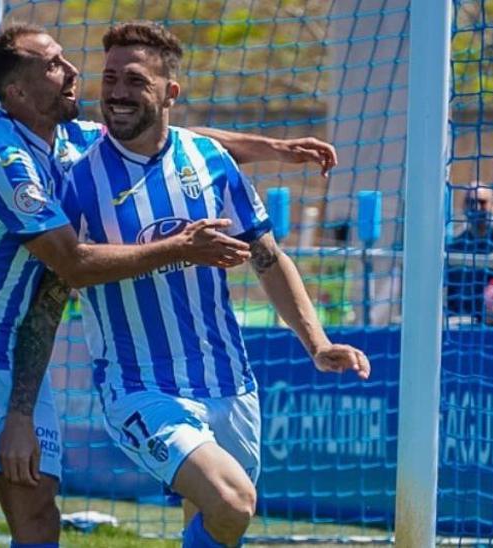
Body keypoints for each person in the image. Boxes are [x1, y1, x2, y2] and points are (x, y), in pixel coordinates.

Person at [0, 22, 338, 548]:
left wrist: (273, 149)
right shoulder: (8, 162)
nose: (73, 73)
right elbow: (74, 265)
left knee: (39, 515)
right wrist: (181, 246)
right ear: (17, 92)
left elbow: (175, 136)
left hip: (12, 354)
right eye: (54, 65)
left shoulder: (64, 138)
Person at [25, 22, 370, 548]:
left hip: (230, 383)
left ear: (170, 93)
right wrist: (19, 407)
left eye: (135, 80)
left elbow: (268, 259)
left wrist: (317, 343)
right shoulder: (76, 177)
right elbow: (55, 289)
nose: (116, 92)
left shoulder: (209, 161)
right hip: (140, 386)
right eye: (110, 78)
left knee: (218, 522)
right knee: (232, 501)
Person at [446, 185, 493, 253]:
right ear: (463, 206)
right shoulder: (458, 245)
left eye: (482, 202)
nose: (476, 207)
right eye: (471, 202)